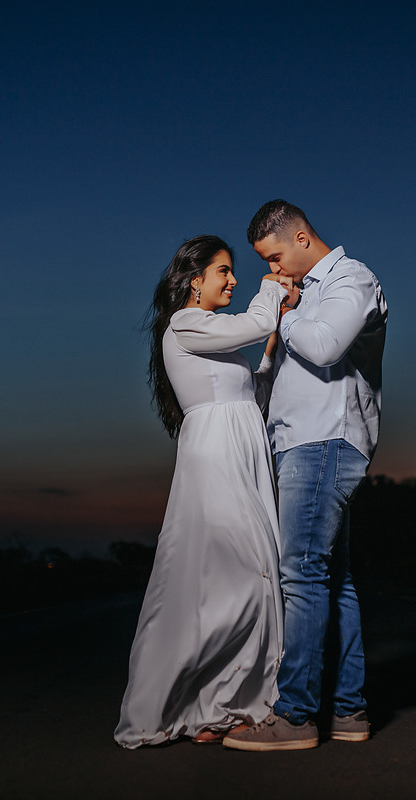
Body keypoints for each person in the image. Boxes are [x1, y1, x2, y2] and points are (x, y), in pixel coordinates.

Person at [114, 234, 292, 748]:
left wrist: (271, 351)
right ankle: (196, 702)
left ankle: (217, 708)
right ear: (195, 281)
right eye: (223, 271)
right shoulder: (186, 324)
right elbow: (255, 323)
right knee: (241, 578)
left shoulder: (215, 335)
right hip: (216, 457)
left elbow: (253, 394)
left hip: (243, 451)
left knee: (243, 578)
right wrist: (271, 289)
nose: (232, 280)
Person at [224, 200, 388, 751]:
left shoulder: (350, 278)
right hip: (298, 445)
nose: (273, 270)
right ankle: (348, 710)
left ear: (300, 238)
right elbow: (276, 380)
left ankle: (295, 715)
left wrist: (287, 312)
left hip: (324, 443)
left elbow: (324, 347)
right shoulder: (302, 294)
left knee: (301, 576)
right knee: (332, 580)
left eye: (275, 257)